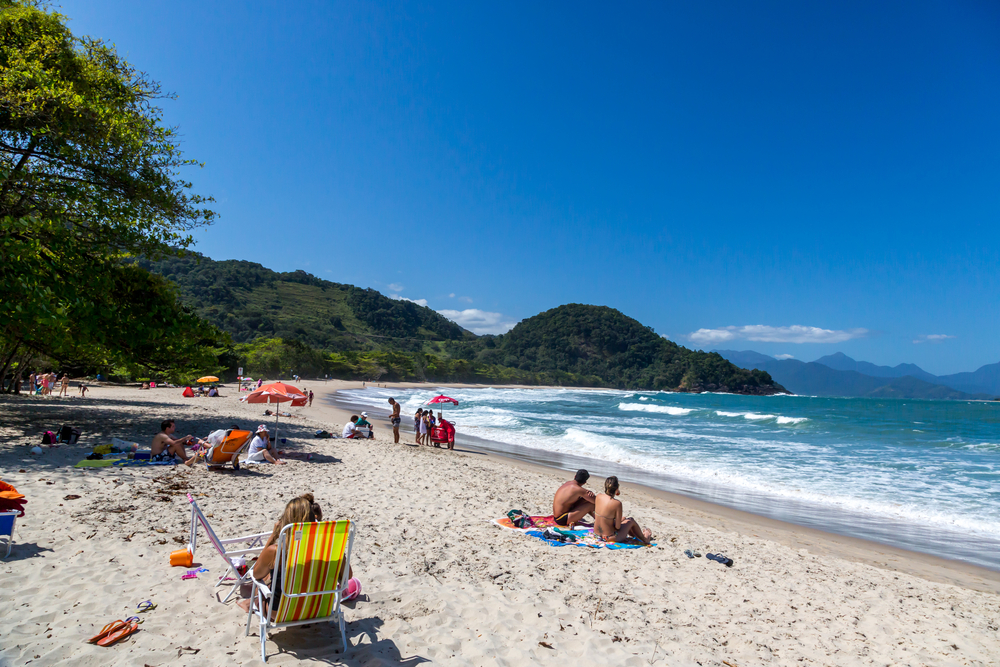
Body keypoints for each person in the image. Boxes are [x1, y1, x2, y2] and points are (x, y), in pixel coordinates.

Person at [593, 476, 652, 545]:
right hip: (609, 537)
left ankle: (635, 534)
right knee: (631, 520)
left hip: (597, 534)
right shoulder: (617, 503)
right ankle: (645, 538)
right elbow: (617, 527)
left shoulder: (598, 496)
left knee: (623, 519)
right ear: (617, 488)